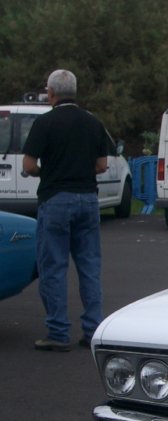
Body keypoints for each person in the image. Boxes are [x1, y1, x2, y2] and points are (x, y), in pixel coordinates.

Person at [22, 69, 108, 352]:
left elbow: (28, 165)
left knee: (54, 267)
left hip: (56, 199)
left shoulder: (44, 123)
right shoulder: (93, 122)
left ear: (51, 93)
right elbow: (102, 165)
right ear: (74, 91)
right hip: (88, 199)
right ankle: (93, 329)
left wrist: (47, 172)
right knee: (89, 267)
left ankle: (58, 332)